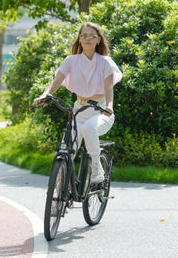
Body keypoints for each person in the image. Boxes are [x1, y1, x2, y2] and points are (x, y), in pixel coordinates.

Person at [33, 22, 122, 183]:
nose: (87, 39)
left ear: (98, 40)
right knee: (66, 150)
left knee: (89, 129)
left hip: (101, 110)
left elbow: (109, 88)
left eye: (92, 36)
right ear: (79, 39)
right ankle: (60, 197)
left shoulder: (105, 62)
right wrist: (46, 94)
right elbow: (57, 80)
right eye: (84, 35)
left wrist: (109, 106)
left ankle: (97, 167)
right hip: (79, 110)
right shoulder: (71, 61)